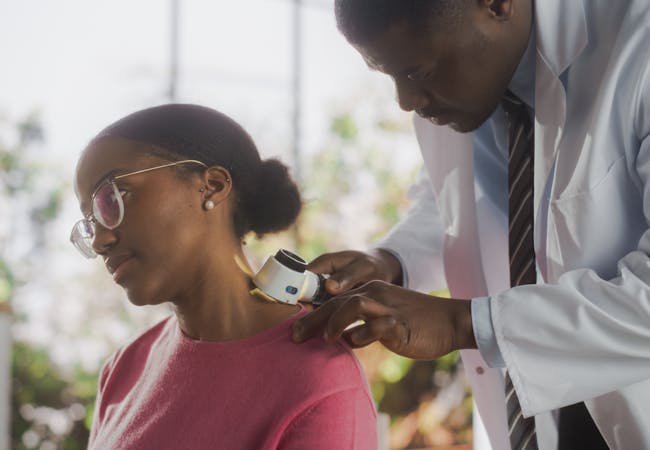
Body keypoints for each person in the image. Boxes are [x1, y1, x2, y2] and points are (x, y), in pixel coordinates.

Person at [291, 0, 650, 449]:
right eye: (391, 75)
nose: (406, 102)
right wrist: (390, 260)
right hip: (555, 410)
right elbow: (460, 203)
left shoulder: (639, 47)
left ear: (497, 5)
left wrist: (464, 323)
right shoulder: (470, 90)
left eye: (416, 72)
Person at [71, 104, 377, 450]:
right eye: (90, 221)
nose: (99, 241)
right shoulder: (126, 368)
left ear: (212, 186)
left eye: (113, 197)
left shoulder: (319, 379)